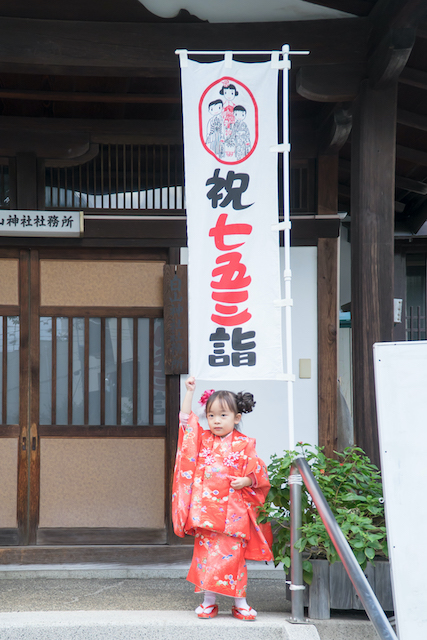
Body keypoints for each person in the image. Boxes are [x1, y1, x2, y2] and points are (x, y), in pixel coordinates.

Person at [172, 376, 273, 621]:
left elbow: (258, 471)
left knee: (235, 558)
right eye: (211, 415)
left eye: (223, 415)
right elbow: (186, 421)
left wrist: (247, 481)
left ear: (237, 418)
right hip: (206, 510)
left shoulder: (245, 443)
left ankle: (240, 602)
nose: (216, 421)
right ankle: (208, 601)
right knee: (206, 556)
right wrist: (189, 392)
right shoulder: (203, 439)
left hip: (234, 511)